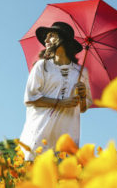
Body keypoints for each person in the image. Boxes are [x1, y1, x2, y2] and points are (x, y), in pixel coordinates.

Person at [19, 22, 93, 161]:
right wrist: (60, 103)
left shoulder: (80, 72)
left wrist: (82, 97)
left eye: (51, 36)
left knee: (63, 177)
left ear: (63, 39)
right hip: (39, 132)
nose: (46, 41)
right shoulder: (42, 66)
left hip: (67, 135)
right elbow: (30, 98)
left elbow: (83, 108)